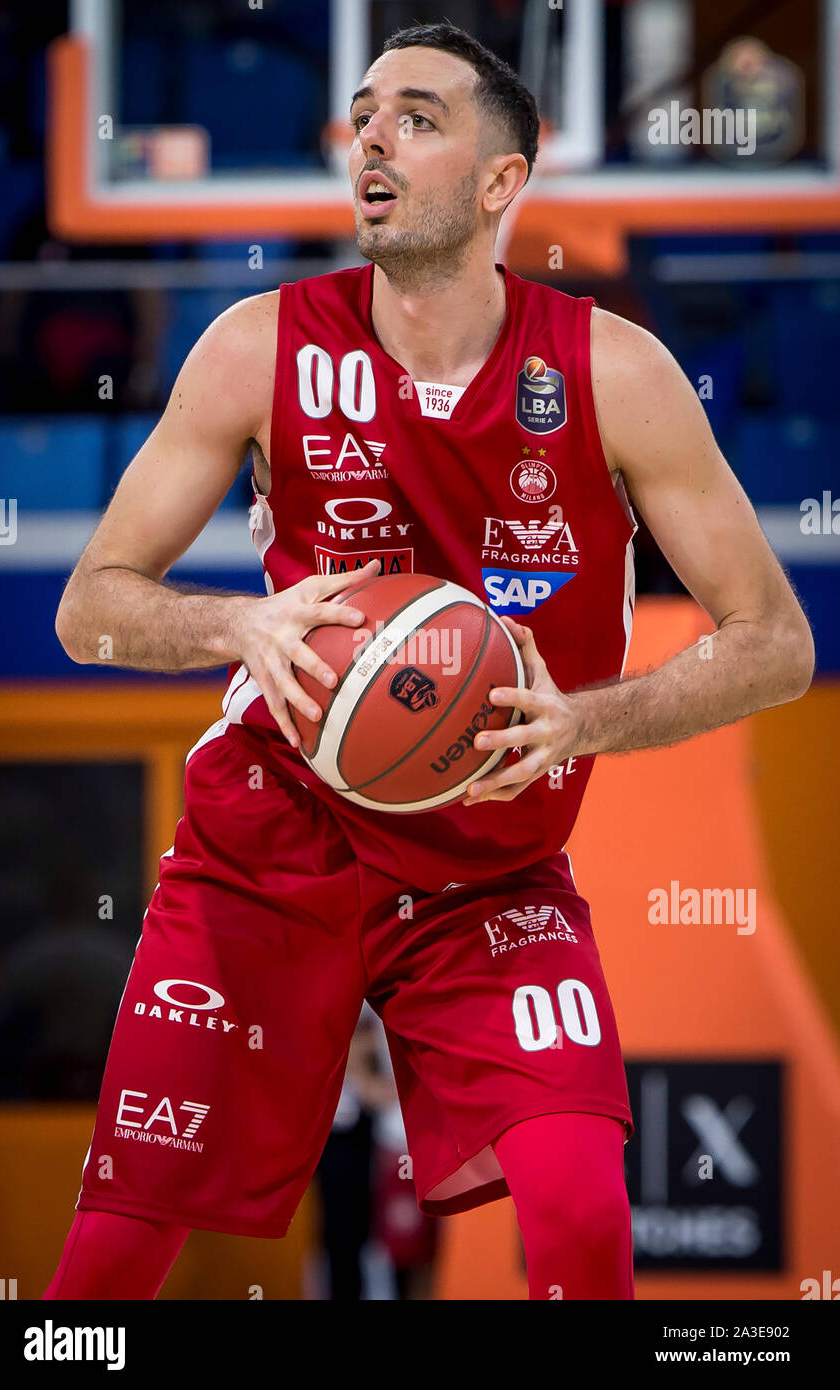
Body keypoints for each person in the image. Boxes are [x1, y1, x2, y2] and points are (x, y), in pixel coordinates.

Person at [45, 22, 813, 1301]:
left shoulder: (611, 373)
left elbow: (775, 641)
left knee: (578, 1216)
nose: (371, 144)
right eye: (361, 116)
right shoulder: (257, 346)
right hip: (267, 851)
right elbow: (89, 608)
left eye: (414, 116)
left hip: (483, 867)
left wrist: (583, 722)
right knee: (110, 1261)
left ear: (501, 181)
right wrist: (236, 624)